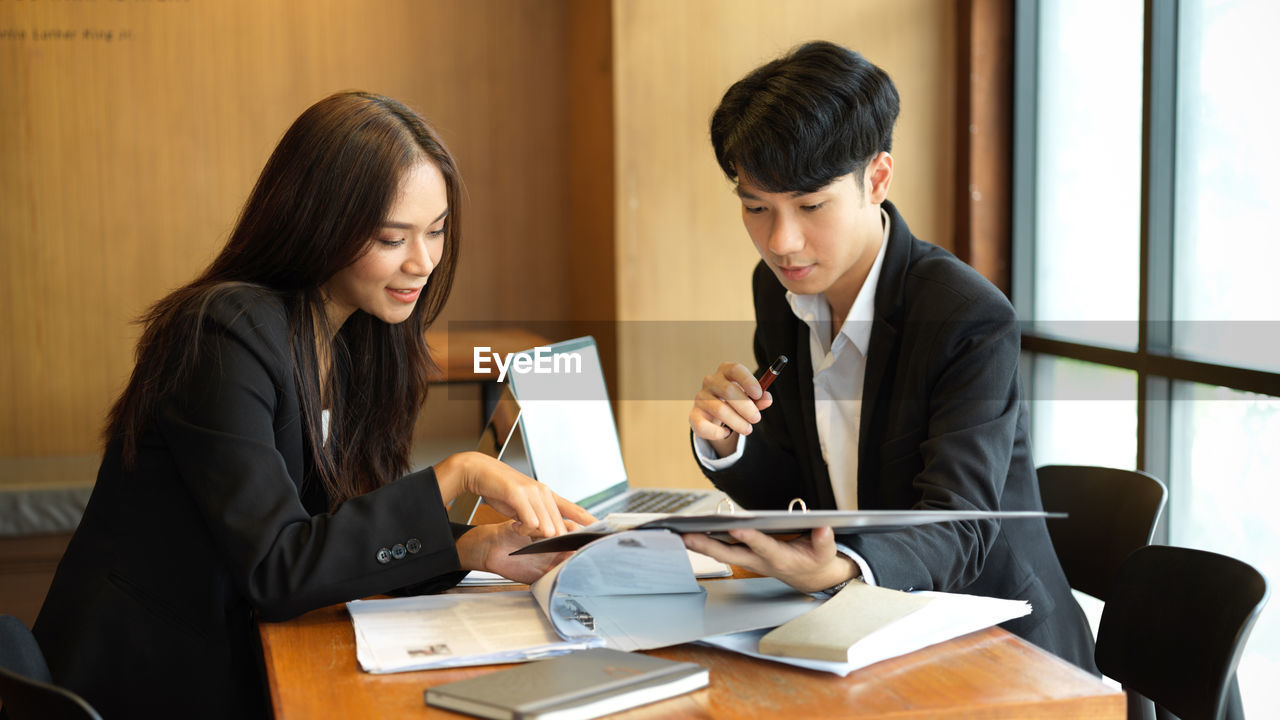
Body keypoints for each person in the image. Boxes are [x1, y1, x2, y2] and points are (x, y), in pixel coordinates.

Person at [32, 91, 594, 718]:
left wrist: (471, 550)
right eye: (391, 237)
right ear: (318, 224)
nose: (424, 261)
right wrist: (457, 474)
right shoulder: (225, 333)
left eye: (436, 232)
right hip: (151, 683)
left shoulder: (355, 338)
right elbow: (278, 568)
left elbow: (330, 535)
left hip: (238, 657)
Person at [684, 42, 1096, 673]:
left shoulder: (966, 315)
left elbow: (961, 524)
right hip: (860, 627)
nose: (781, 241)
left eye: (811, 206)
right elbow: (799, 485)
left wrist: (843, 563)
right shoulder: (780, 288)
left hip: (997, 648)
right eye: (755, 207)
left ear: (876, 178)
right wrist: (729, 441)